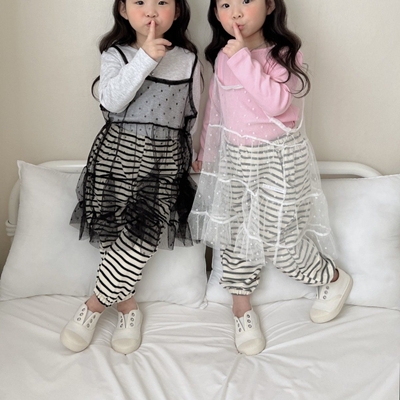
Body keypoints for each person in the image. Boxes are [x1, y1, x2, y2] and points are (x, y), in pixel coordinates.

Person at [189, 0, 352, 356]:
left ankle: (332, 277)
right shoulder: (223, 58)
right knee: (234, 233)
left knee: (279, 239)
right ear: (216, 13)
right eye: (225, 4)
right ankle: (241, 307)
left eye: (246, 1)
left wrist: (242, 59)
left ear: (269, 5)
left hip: (280, 158)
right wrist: (206, 153)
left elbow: (277, 102)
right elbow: (216, 110)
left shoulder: (284, 53)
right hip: (236, 158)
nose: (235, 12)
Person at [61, 0, 201, 355]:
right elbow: (111, 101)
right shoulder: (116, 54)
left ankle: (93, 305)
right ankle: (127, 308)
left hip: (163, 162)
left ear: (177, 11)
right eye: (140, 2)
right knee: (113, 235)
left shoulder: (188, 59)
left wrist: (196, 154)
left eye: (162, 2)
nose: (151, 11)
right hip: (117, 157)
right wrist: (145, 59)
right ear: (123, 10)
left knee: (141, 238)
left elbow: (193, 114)